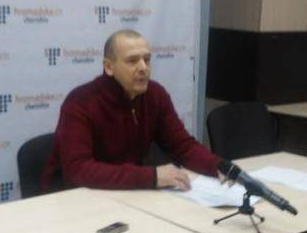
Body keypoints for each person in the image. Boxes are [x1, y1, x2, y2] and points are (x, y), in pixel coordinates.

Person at [41, 29, 221, 191]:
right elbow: (78, 171)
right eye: (132, 61)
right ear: (109, 67)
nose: (143, 68)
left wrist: (220, 167)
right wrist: (152, 177)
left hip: (124, 193)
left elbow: (183, 147)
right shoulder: (80, 102)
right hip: (69, 199)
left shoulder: (155, 94)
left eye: (147, 59)